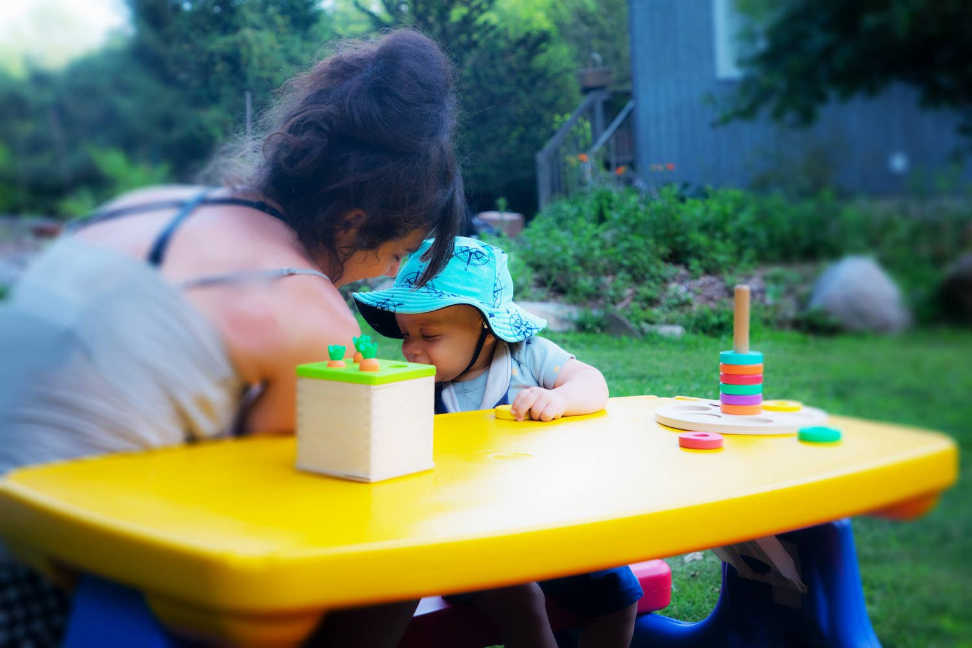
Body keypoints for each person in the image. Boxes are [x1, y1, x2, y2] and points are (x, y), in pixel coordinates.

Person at [0, 29, 464, 648]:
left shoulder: (146, 206)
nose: (388, 272)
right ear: (353, 222)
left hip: (22, 524)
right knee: (391, 544)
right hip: (60, 598)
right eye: (398, 252)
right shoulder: (306, 305)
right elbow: (280, 510)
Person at [353, 237, 642, 648]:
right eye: (404, 334)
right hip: (466, 540)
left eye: (429, 335)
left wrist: (560, 399)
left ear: (487, 330)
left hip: (548, 527)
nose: (411, 349)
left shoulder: (529, 357)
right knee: (522, 601)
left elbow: (592, 383)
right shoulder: (415, 387)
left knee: (619, 593)